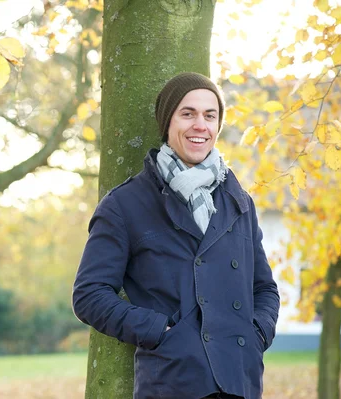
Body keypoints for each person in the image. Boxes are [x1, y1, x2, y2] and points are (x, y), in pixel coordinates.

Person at [72, 72, 280, 399]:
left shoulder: (238, 201)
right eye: (188, 113)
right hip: (173, 380)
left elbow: (264, 287)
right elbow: (89, 295)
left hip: (241, 379)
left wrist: (257, 334)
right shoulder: (125, 204)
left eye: (210, 116)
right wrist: (159, 331)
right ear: (167, 123)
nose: (201, 125)